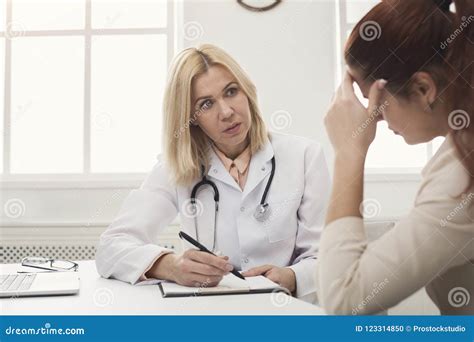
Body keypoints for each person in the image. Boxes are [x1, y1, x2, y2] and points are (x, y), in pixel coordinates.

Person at [95, 44, 330, 302]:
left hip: (286, 311)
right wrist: (170, 265)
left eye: (231, 92)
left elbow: (328, 259)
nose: (227, 112)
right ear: (191, 117)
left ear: (247, 92)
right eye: (206, 104)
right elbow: (111, 248)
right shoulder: (176, 168)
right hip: (210, 312)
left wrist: (292, 276)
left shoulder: (305, 156)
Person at [320, 0, 473, 314]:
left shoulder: (462, 170)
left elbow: (345, 300)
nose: (373, 117)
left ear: (423, 88)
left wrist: (349, 153)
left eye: (377, 102)